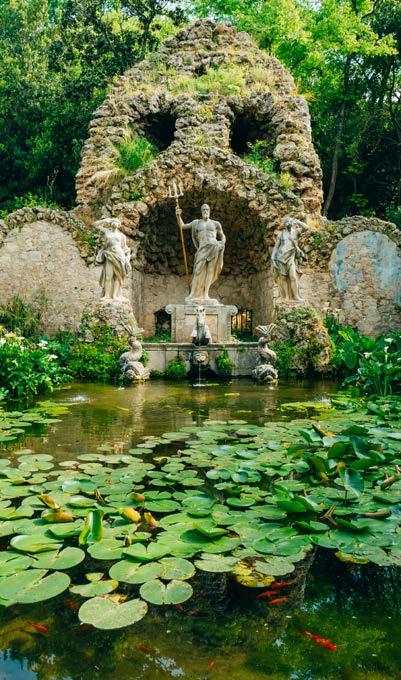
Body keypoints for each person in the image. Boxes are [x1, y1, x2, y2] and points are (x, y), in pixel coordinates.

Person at [175, 203, 225, 305]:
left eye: (207, 209)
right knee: (197, 270)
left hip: (214, 247)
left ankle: (206, 294)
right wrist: (178, 215)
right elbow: (182, 226)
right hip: (202, 249)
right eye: (203, 210)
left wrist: (222, 243)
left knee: (210, 271)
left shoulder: (216, 224)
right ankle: (193, 294)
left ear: (210, 211)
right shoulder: (196, 223)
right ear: (201, 212)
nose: (205, 211)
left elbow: (222, 235)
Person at [94, 218, 131, 300]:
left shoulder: (122, 236)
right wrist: (104, 220)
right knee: (108, 276)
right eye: (113, 221)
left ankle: (115, 295)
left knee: (117, 276)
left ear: (119, 225)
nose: (114, 223)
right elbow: (95, 225)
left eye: (116, 222)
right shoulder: (107, 231)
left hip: (119, 255)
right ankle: (106, 295)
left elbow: (124, 247)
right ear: (111, 223)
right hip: (109, 255)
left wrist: (127, 256)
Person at [271, 216, 306, 302]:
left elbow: (306, 228)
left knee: (293, 276)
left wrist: (298, 221)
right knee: (283, 278)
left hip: (290, 258)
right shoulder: (281, 234)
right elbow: (276, 247)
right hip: (280, 257)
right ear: (285, 225)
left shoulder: (296, 232)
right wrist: (272, 257)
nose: (289, 223)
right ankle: (286, 296)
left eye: (290, 222)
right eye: (287, 222)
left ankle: (296, 296)